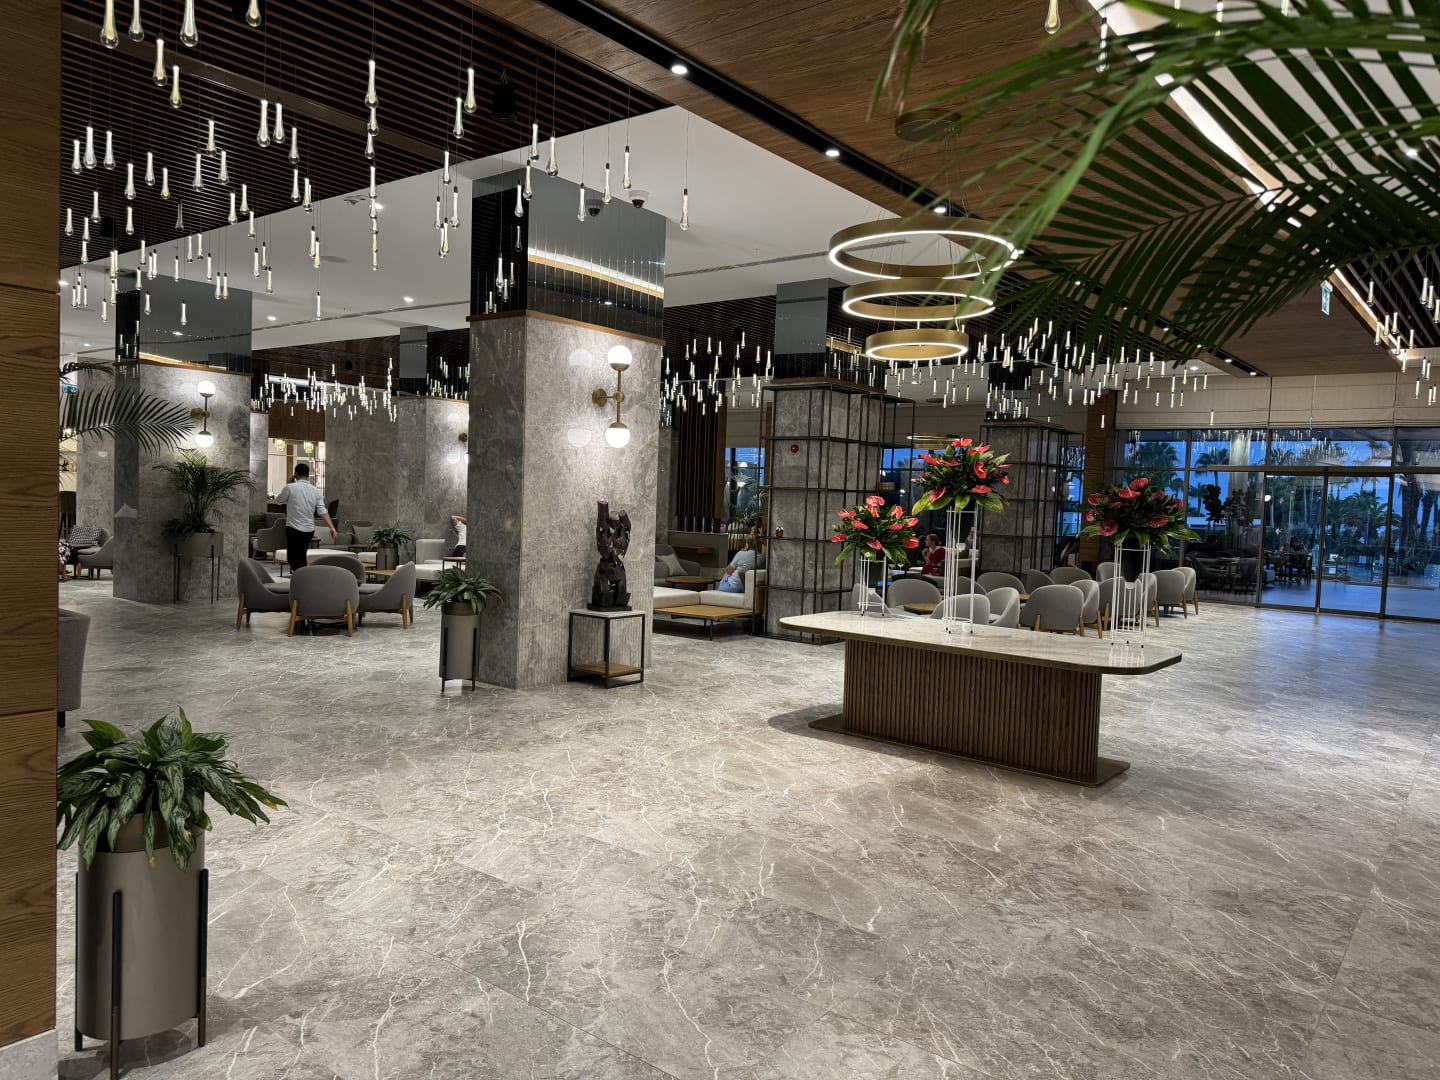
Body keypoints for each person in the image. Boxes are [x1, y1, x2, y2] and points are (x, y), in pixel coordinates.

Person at [275, 463, 335, 573]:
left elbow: (278, 501)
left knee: (292, 558)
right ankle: (303, 579)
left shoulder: (290, 487)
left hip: (293, 528)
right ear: (308, 474)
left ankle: (305, 576)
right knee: (302, 556)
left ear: (295, 474)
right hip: (309, 529)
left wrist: (289, 484)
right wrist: (332, 527)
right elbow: (322, 511)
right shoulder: (316, 491)